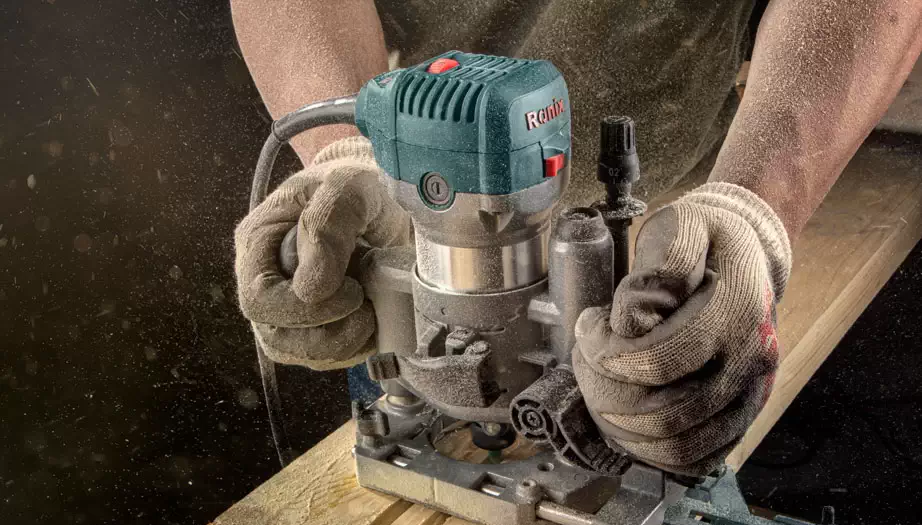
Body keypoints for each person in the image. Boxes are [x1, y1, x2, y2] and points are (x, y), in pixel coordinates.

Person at [230, 0, 922, 475]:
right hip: (418, 229)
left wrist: (750, 209)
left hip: (675, 235)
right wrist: (347, 154)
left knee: (659, 461)